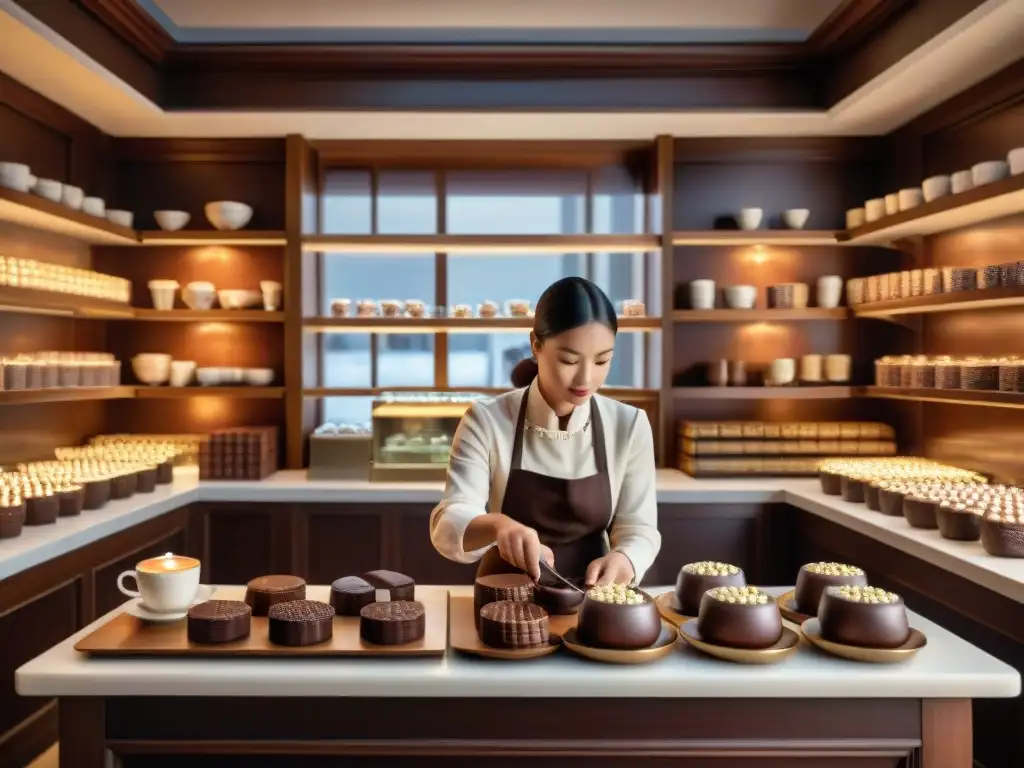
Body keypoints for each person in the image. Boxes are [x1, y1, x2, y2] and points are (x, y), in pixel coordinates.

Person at [429, 276, 661, 587]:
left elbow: (639, 527)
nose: (586, 378)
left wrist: (627, 558)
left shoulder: (629, 425)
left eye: (603, 360)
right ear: (536, 346)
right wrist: (498, 526)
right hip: (506, 600)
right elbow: (448, 522)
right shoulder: (487, 419)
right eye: (569, 360)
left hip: (592, 601)